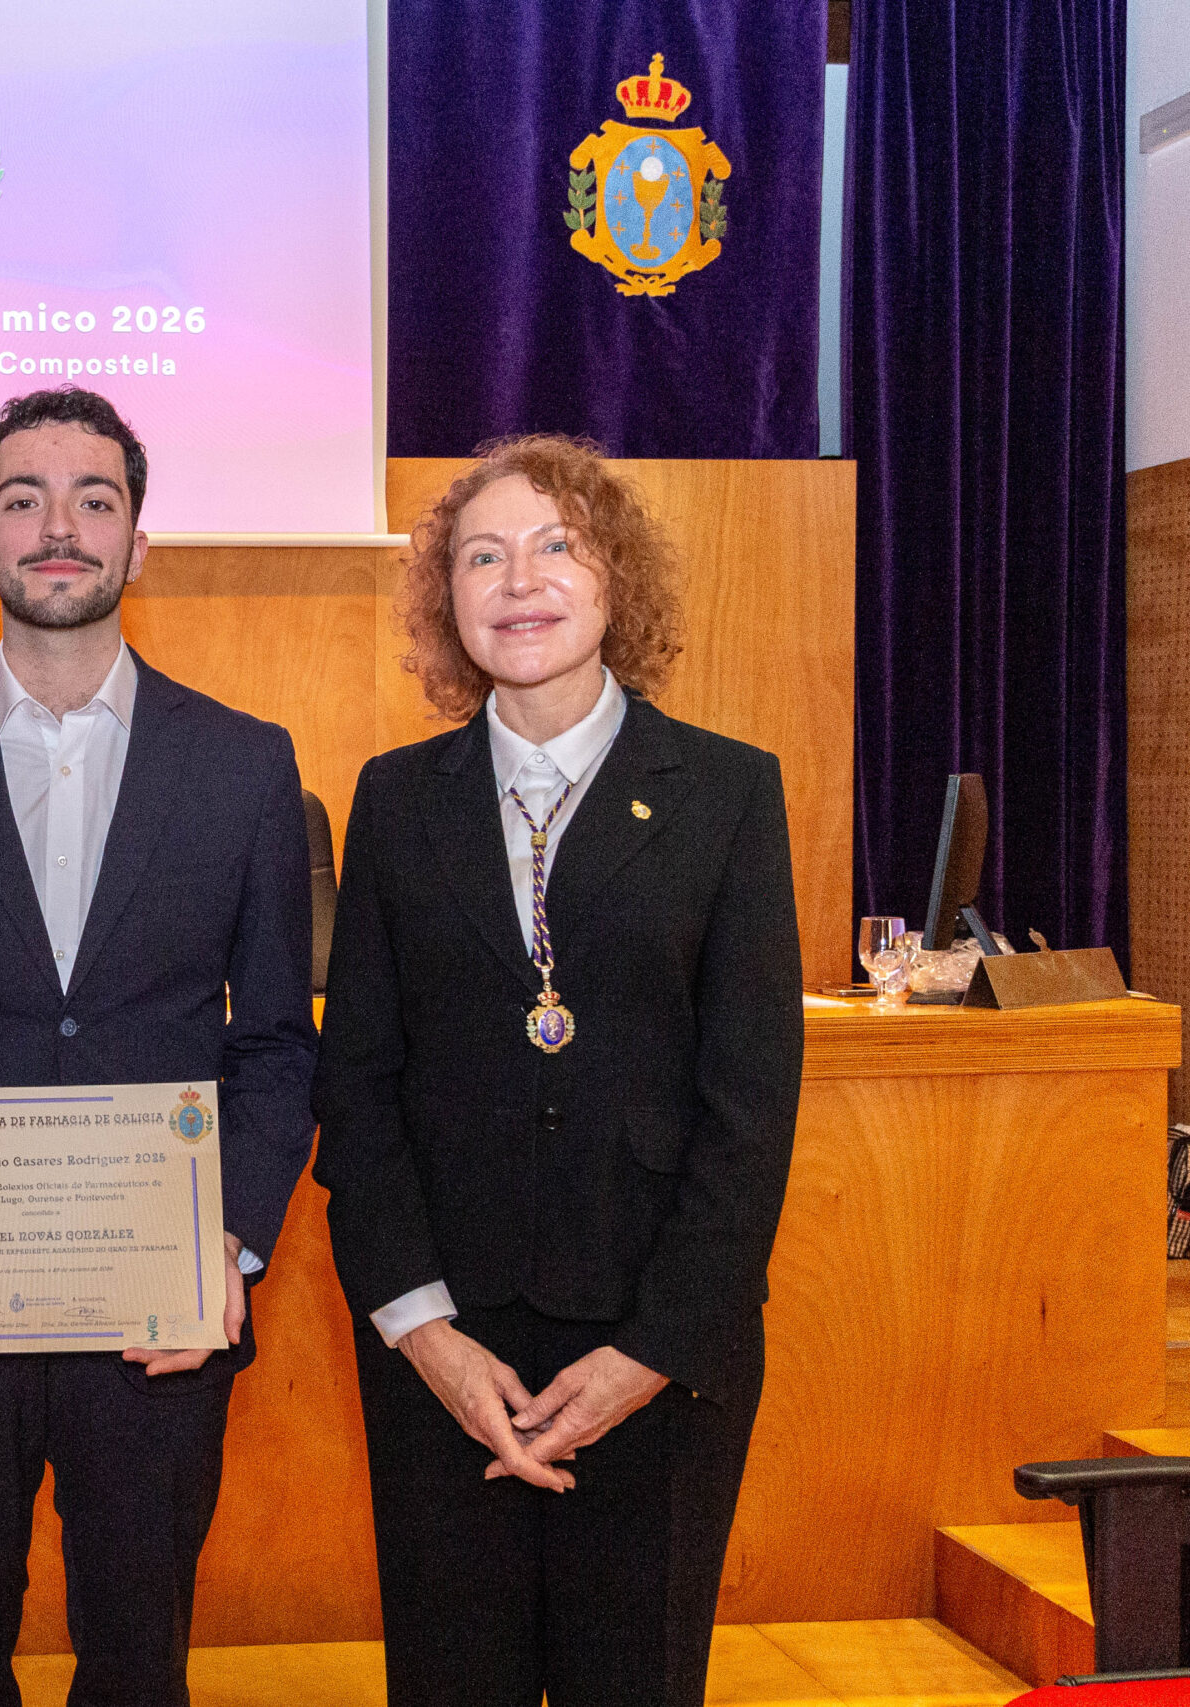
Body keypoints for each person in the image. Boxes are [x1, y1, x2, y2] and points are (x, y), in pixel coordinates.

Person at [0, 388, 318, 1707]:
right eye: (23, 499)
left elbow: (273, 1045)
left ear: (140, 539)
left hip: (159, 1314)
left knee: (140, 1664)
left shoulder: (248, 765)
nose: (59, 527)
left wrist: (227, 1251)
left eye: (95, 498)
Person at [313, 434, 803, 1705]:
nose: (519, 581)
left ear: (614, 579)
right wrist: (423, 1333)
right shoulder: (394, 799)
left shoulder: (727, 794)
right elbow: (356, 1087)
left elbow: (750, 1108)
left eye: (555, 546)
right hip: (445, 1349)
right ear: (446, 599)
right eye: (482, 557)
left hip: (657, 1349)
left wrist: (651, 1351)